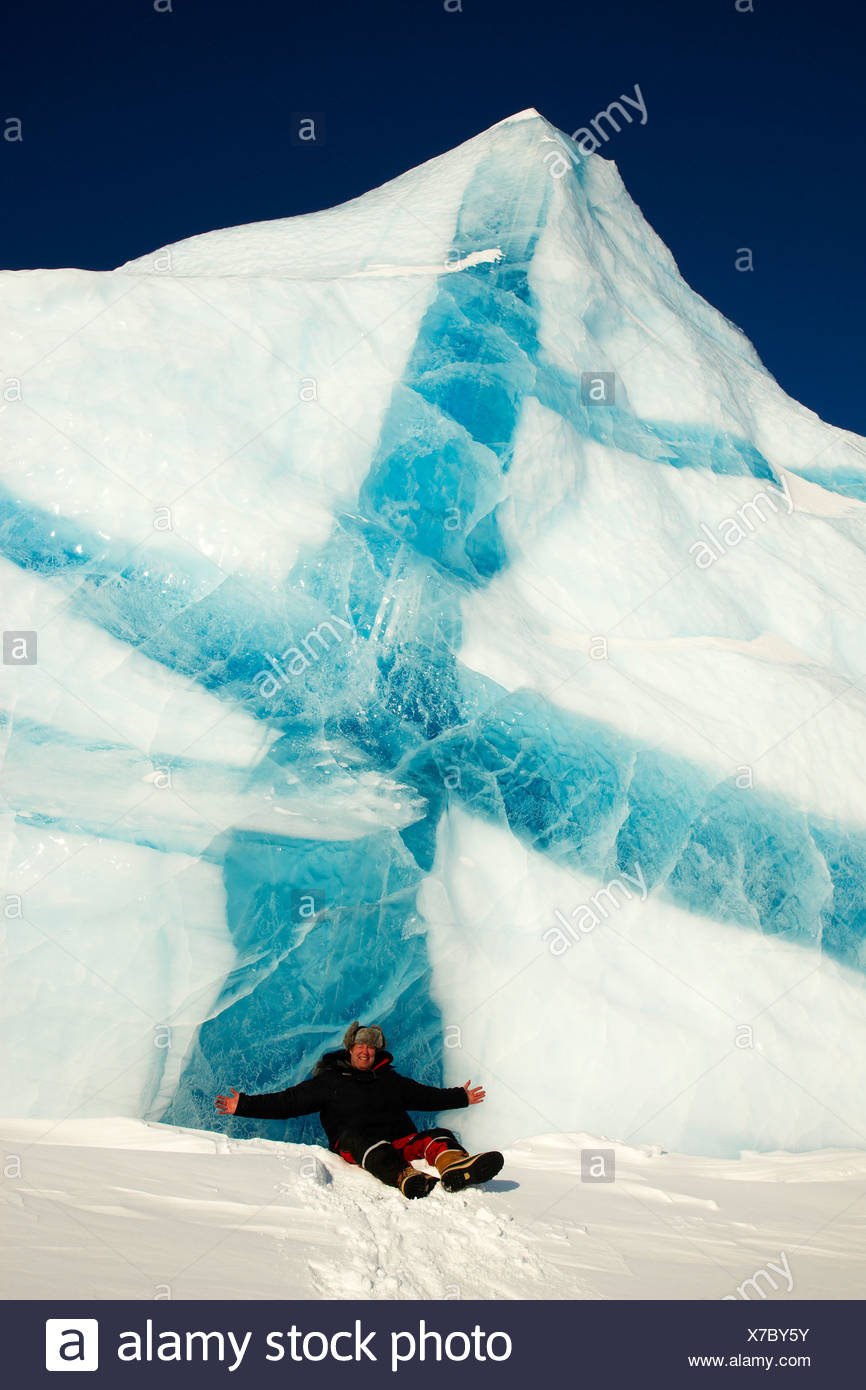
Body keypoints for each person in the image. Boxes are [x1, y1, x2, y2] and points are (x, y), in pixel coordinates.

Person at [215, 1020, 503, 1199]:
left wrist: (461, 1097)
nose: (366, 1051)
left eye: (371, 1047)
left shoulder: (390, 1080)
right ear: (350, 1048)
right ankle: (405, 1177)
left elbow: (425, 1096)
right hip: (358, 1145)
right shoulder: (329, 1080)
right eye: (361, 1046)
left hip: (398, 1140)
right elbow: (288, 1102)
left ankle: (454, 1168)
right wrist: (244, 1104)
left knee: (438, 1135)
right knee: (362, 1140)